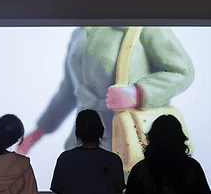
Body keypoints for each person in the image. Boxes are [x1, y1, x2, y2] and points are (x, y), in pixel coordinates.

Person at [17, 26, 194, 154]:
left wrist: (138, 93)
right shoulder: (79, 33)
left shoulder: (143, 27)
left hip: (132, 134)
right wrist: (41, 129)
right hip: (85, 135)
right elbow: (69, 89)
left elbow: (181, 71)